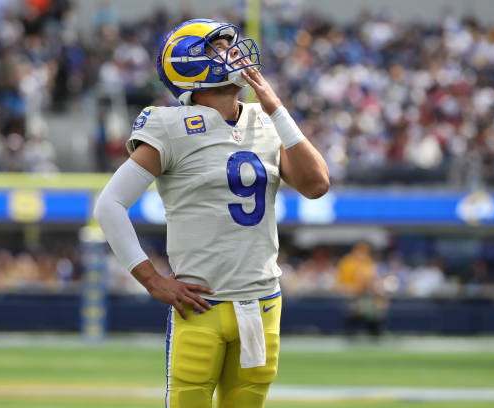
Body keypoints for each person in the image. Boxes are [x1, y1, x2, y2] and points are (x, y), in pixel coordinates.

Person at [94, 18, 330, 408]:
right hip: (200, 307)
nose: (234, 53)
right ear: (189, 62)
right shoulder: (169, 125)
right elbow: (109, 205)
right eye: (219, 47)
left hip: (262, 305)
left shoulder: (265, 121)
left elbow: (317, 184)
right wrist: (152, 279)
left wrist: (276, 108)